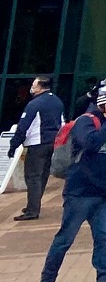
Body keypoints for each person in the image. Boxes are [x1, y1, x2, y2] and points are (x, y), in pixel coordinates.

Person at [34, 80, 106, 282]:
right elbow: (91, 143)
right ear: (104, 103)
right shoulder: (86, 122)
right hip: (81, 193)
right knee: (65, 238)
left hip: (105, 193)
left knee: (103, 238)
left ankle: (104, 281)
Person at [9, 76, 64, 222]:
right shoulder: (57, 101)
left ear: (39, 87)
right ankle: (34, 205)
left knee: (32, 177)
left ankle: (32, 210)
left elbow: (23, 126)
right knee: (43, 175)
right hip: (52, 143)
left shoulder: (35, 104)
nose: (31, 87)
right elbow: (62, 122)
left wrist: (14, 144)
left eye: (34, 85)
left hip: (37, 144)